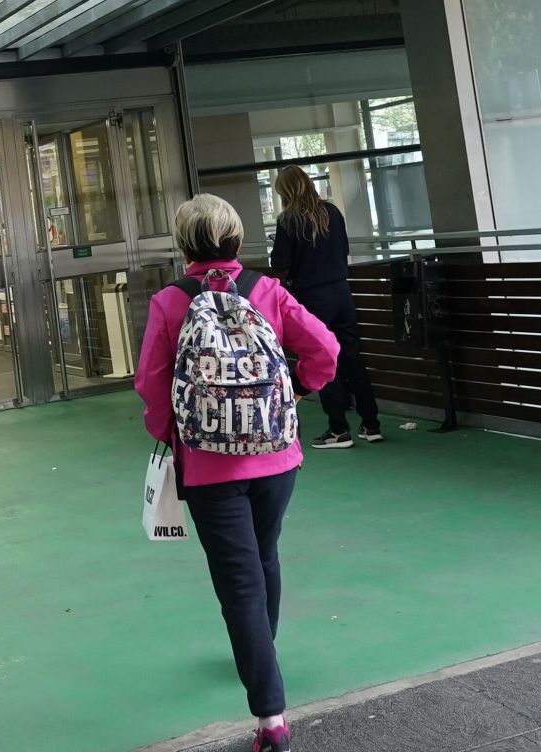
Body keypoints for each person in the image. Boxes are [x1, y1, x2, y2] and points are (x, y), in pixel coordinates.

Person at [136, 194, 338, 752]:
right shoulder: (266, 291)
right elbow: (325, 348)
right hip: (277, 457)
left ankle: (272, 719)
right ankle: (261, 651)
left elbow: (152, 385)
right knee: (265, 555)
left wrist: (169, 431)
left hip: (207, 467)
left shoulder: (171, 301)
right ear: (236, 239)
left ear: (184, 246)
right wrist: (297, 390)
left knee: (239, 581)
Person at [272, 165, 384, 449]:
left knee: (322, 358)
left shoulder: (288, 220)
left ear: (285, 191)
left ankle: (338, 430)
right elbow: (343, 249)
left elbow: (280, 264)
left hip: (312, 297)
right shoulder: (331, 212)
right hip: (342, 292)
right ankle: (371, 424)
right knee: (352, 355)